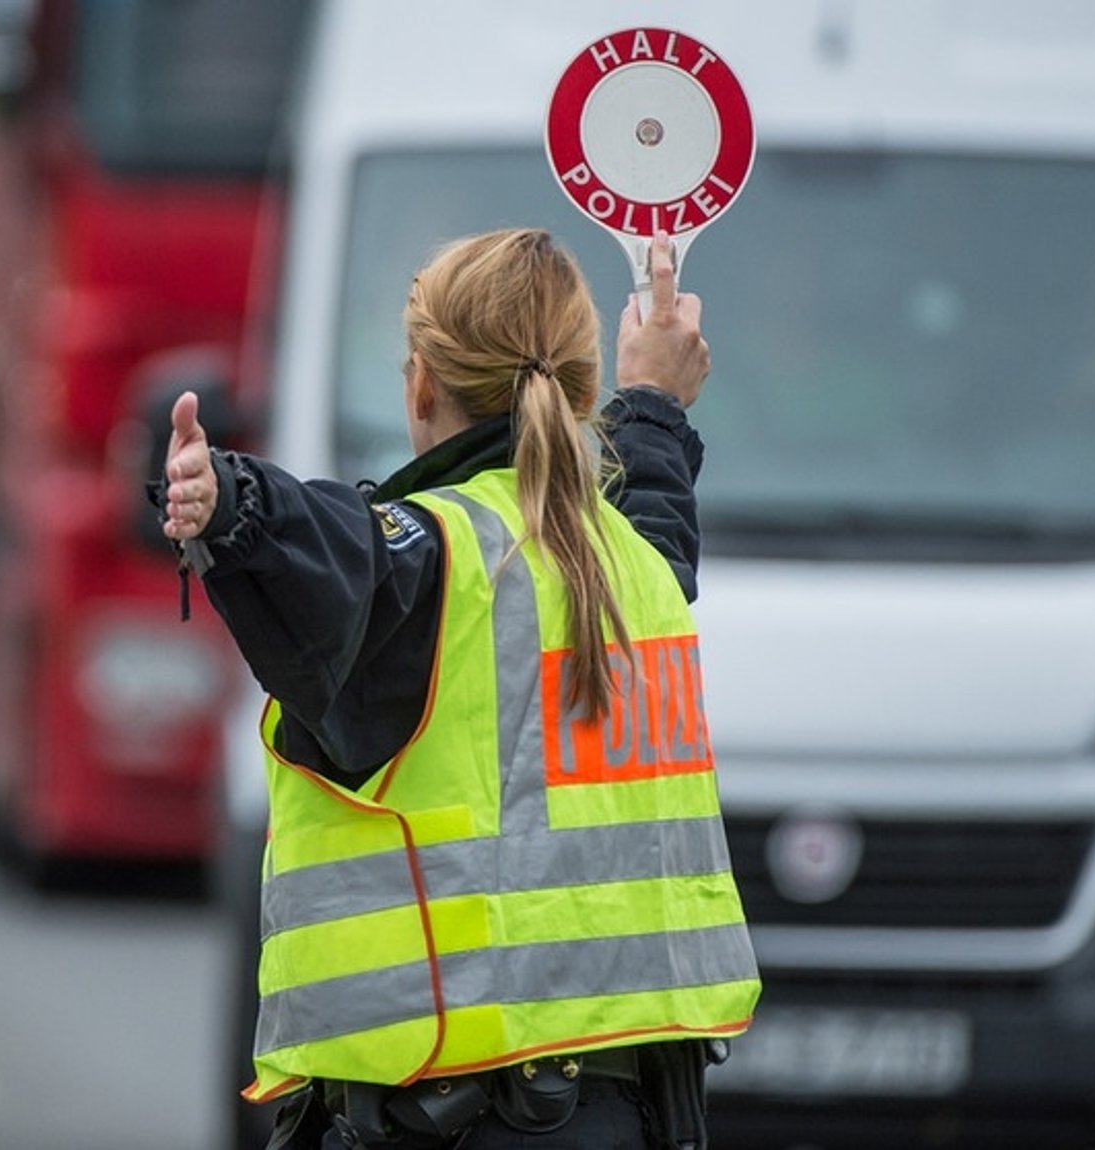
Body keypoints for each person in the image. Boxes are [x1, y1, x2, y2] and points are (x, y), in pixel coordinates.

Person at [159, 231, 758, 1149]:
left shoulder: (438, 559)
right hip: (627, 1118)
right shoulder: (633, 567)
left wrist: (228, 498)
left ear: (422, 384)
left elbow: (342, 544)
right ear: (580, 384)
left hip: (448, 1121)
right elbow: (657, 516)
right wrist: (653, 405)